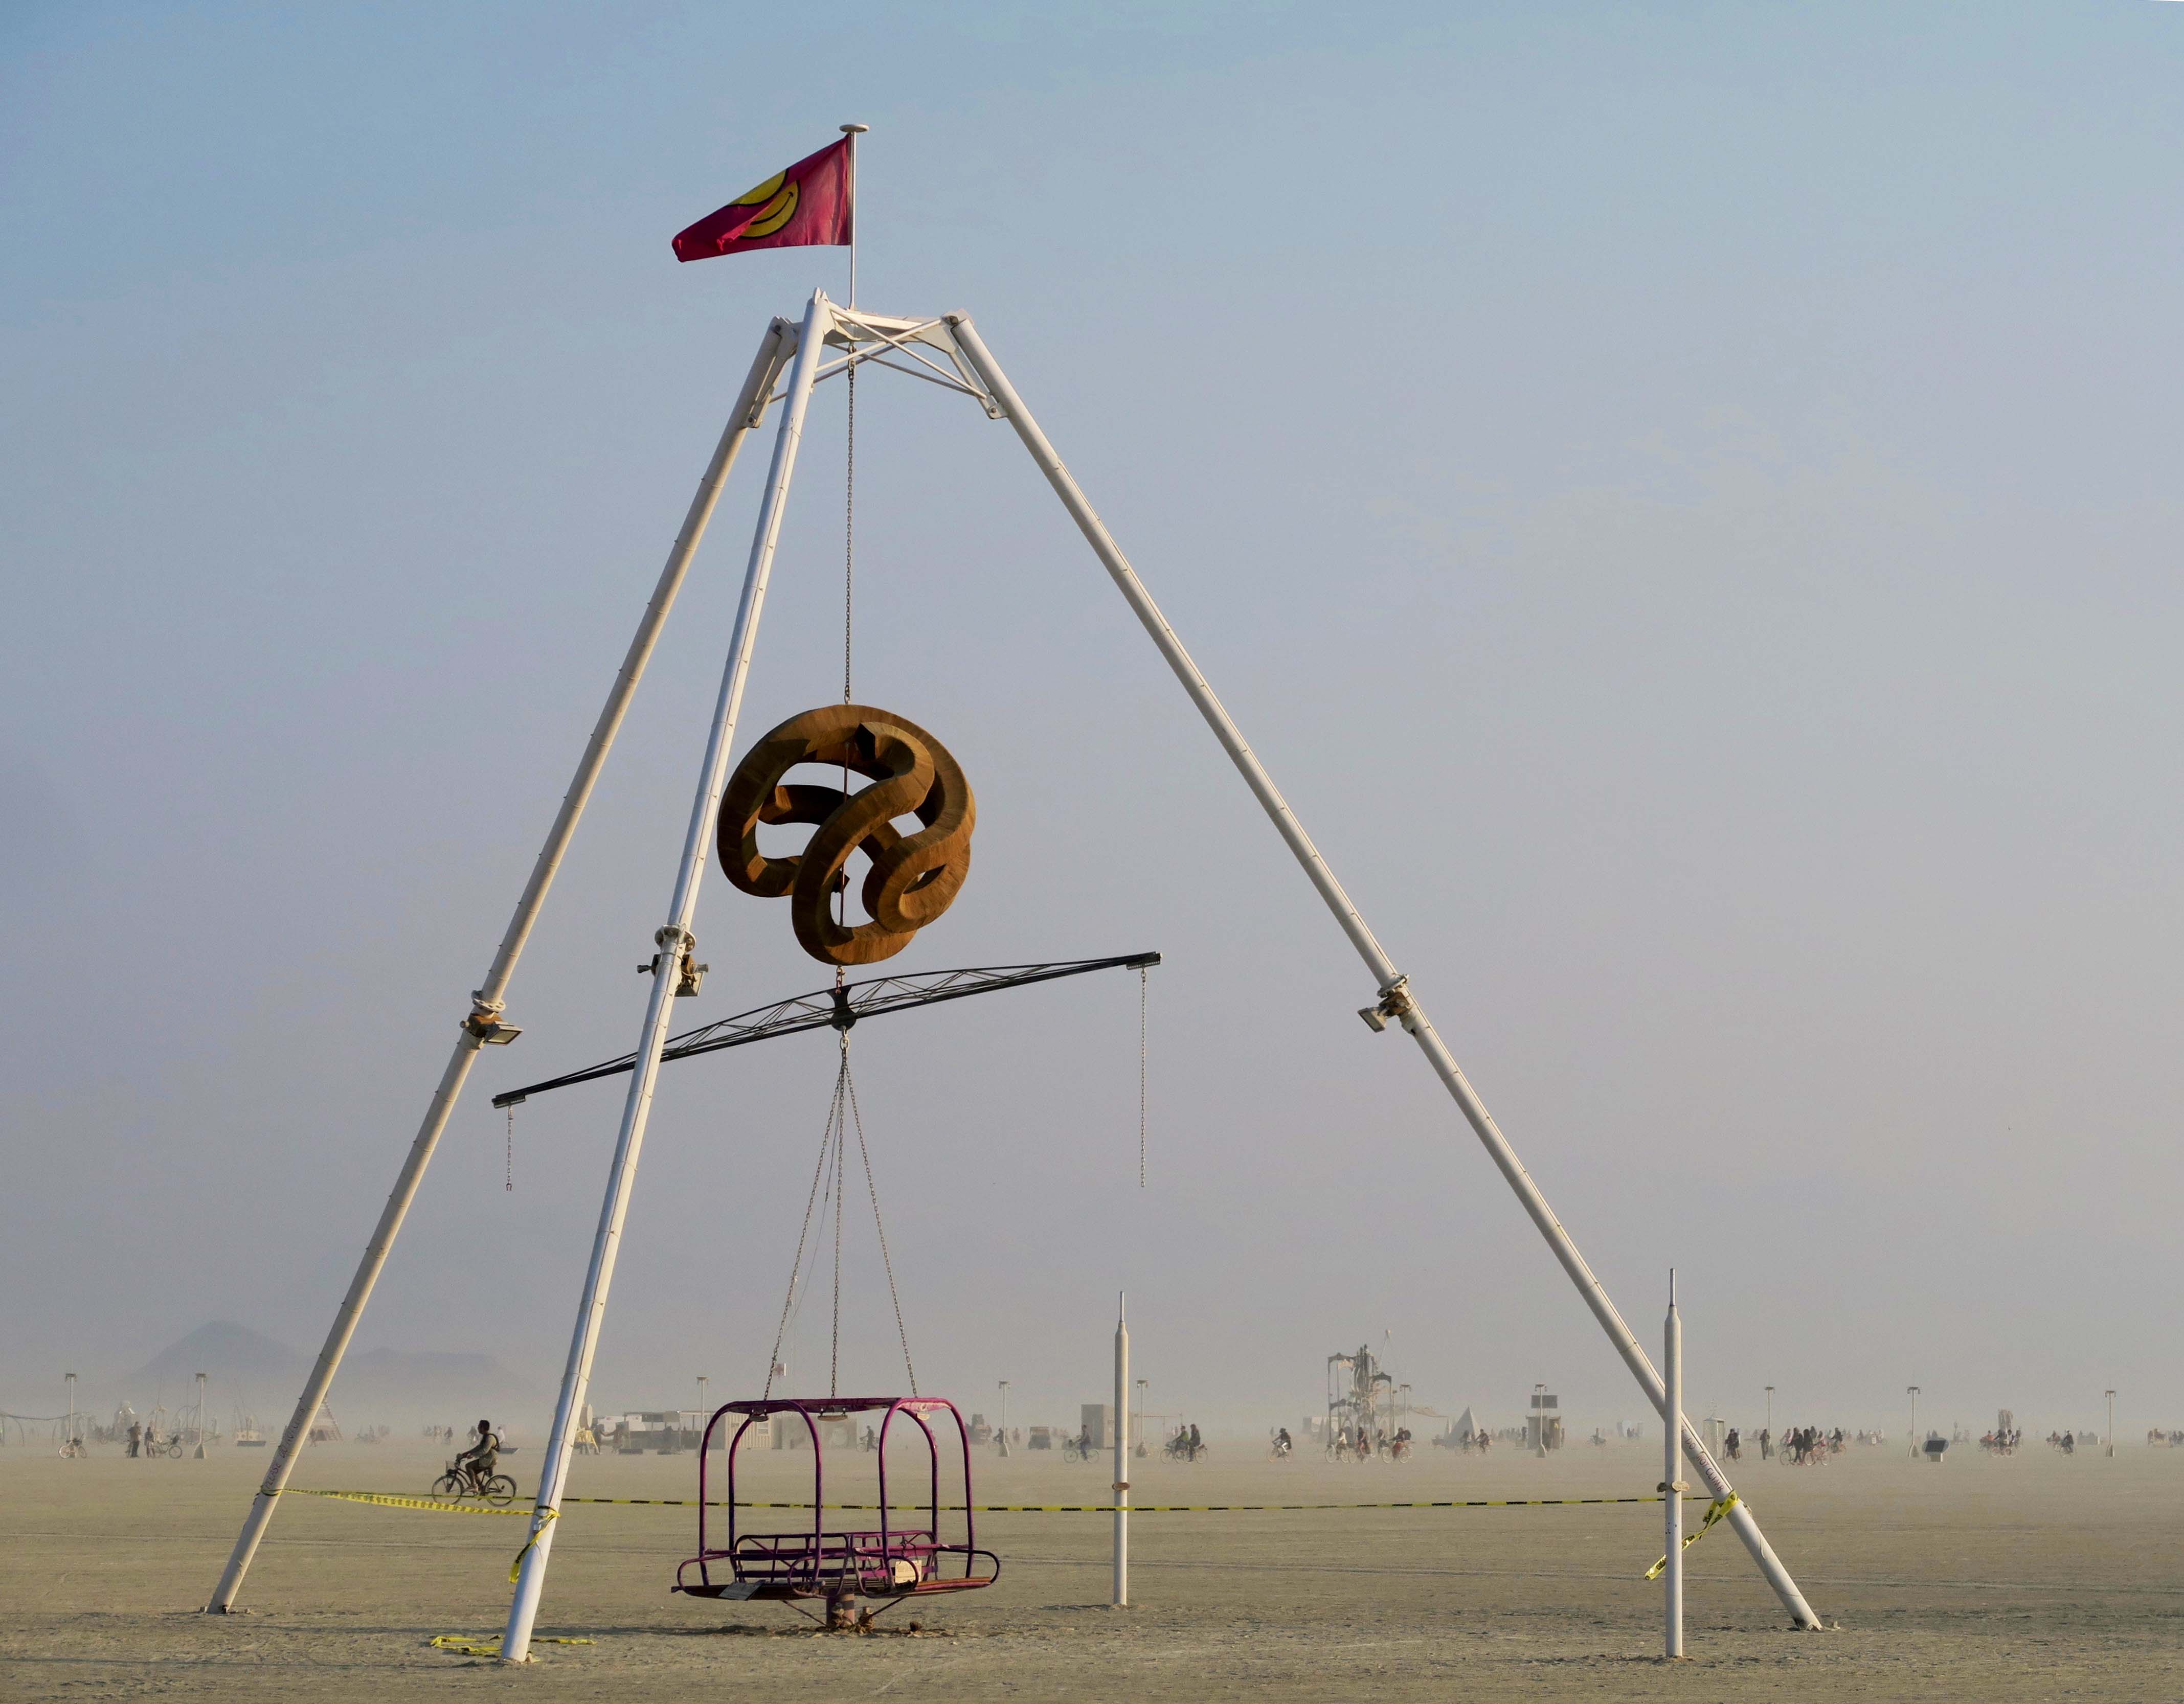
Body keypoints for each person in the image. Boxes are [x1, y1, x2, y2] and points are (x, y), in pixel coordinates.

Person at [456, 1419, 500, 1490]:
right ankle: (482, 1488)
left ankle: (474, 1486)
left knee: (468, 1466)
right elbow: (478, 1448)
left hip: (490, 1459)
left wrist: (473, 1455)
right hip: (487, 1458)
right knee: (473, 1473)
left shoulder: (490, 1438)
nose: (478, 1428)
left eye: (479, 1426)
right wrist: (467, 1453)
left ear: (482, 1428)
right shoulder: (485, 1437)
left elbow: (484, 1451)